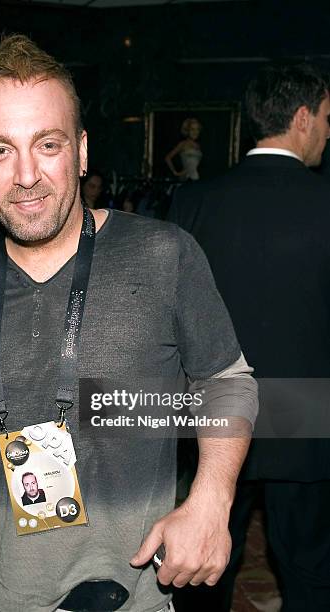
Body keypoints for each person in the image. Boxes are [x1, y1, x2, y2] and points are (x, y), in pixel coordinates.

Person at [0, 35, 257, 612]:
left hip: (133, 594)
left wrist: (213, 498)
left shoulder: (164, 254)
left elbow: (226, 381)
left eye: (48, 144)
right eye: (1, 150)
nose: (27, 175)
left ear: (82, 152)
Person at [169, 62, 330, 612]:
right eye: (328, 118)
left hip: (215, 407)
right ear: (303, 118)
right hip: (309, 413)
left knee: (204, 562)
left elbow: (171, 314)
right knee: (307, 566)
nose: (329, 132)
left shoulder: (194, 201)